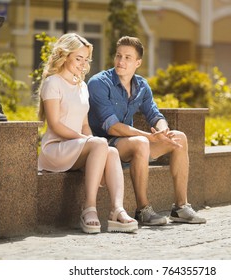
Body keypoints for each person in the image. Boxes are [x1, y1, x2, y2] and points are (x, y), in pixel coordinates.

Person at [87, 36, 206, 226]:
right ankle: (143, 210)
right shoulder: (99, 83)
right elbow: (112, 126)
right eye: (118, 56)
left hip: (130, 145)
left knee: (180, 138)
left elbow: (154, 114)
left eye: (127, 57)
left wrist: (163, 131)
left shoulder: (141, 86)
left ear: (138, 63)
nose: (121, 61)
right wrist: (148, 136)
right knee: (141, 142)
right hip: (104, 146)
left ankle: (181, 207)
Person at [37, 33, 138, 234]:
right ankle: (89, 208)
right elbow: (55, 125)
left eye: (86, 59)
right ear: (65, 56)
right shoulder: (53, 83)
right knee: (101, 144)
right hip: (55, 149)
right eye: (78, 58)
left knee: (111, 152)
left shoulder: (82, 86)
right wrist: (89, 141)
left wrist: (92, 143)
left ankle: (117, 210)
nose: (83, 64)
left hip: (74, 147)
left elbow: (84, 124)